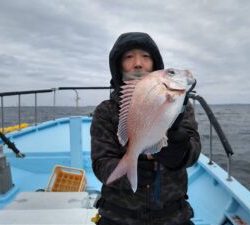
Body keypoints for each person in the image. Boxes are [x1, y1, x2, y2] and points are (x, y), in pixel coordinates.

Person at [90, 32, 201, 225]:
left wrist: (178, 146)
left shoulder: (182, 105)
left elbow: (193, 154)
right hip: (118, 216)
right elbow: (101, 163)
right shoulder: (106, 111)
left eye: (145, 56)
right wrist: (134, 172)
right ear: (119, 65)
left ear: (155, 64)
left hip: (173, 215)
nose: (138, 63)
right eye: (129, 57)